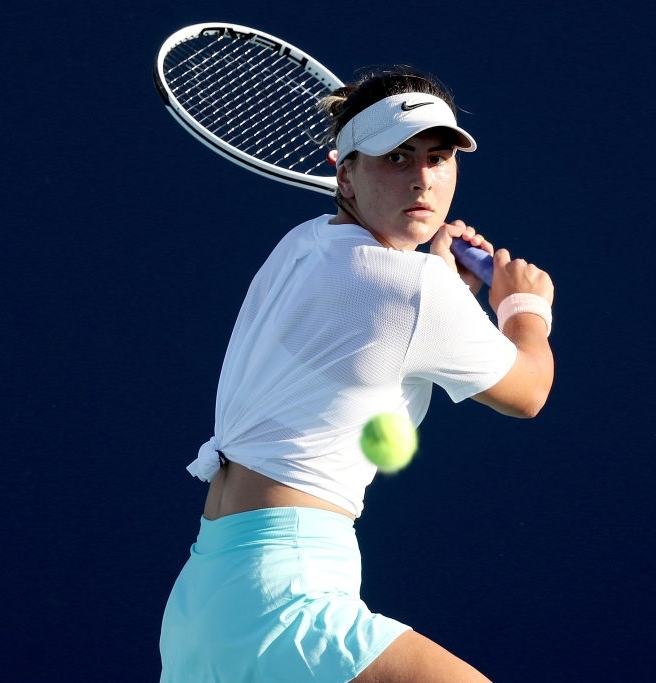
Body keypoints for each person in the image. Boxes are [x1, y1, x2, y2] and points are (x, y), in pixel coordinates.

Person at [159, 67, 555, 682]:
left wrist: (444, 283)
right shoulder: (416, 289)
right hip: (285, 596)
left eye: (439, 157)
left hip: (205, 600)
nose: (423, 178)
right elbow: (528, 392)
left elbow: (369, 332)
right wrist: (523, 307)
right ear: (343, 171)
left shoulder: (302, 243)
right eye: (397, 157)